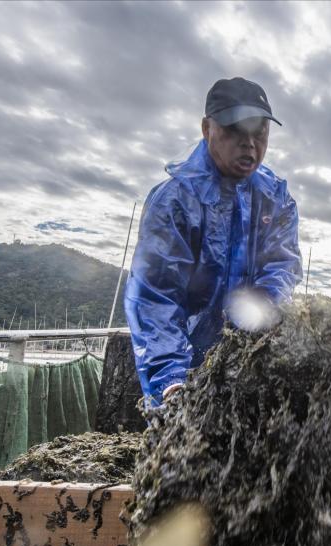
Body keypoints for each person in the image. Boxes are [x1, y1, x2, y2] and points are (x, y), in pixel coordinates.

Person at [125, 77, 302, 407]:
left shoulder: (277, 199)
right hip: (183, 365)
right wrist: (170, 379)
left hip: (247, 363)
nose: (249, 144)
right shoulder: (174, 201)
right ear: (208, 129)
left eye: (259, 131)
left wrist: (252, 332)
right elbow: (155, 298)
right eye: (236, 130)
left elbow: (281, 267)